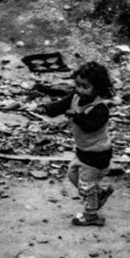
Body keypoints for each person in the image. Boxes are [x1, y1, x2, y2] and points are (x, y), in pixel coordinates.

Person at [37, 61, 115, 227]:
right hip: (83, 151)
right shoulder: (76, 97)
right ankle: (97, 195)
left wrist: (76, 116)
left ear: (98, 88)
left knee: (86, 186)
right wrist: (46, 108)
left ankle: (91, 215)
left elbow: (90, 126)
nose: (79, 89)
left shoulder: (100, 108)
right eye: (77, 85)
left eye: (85, 86)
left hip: (97, 155)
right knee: (74, 176)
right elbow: (61, 105)